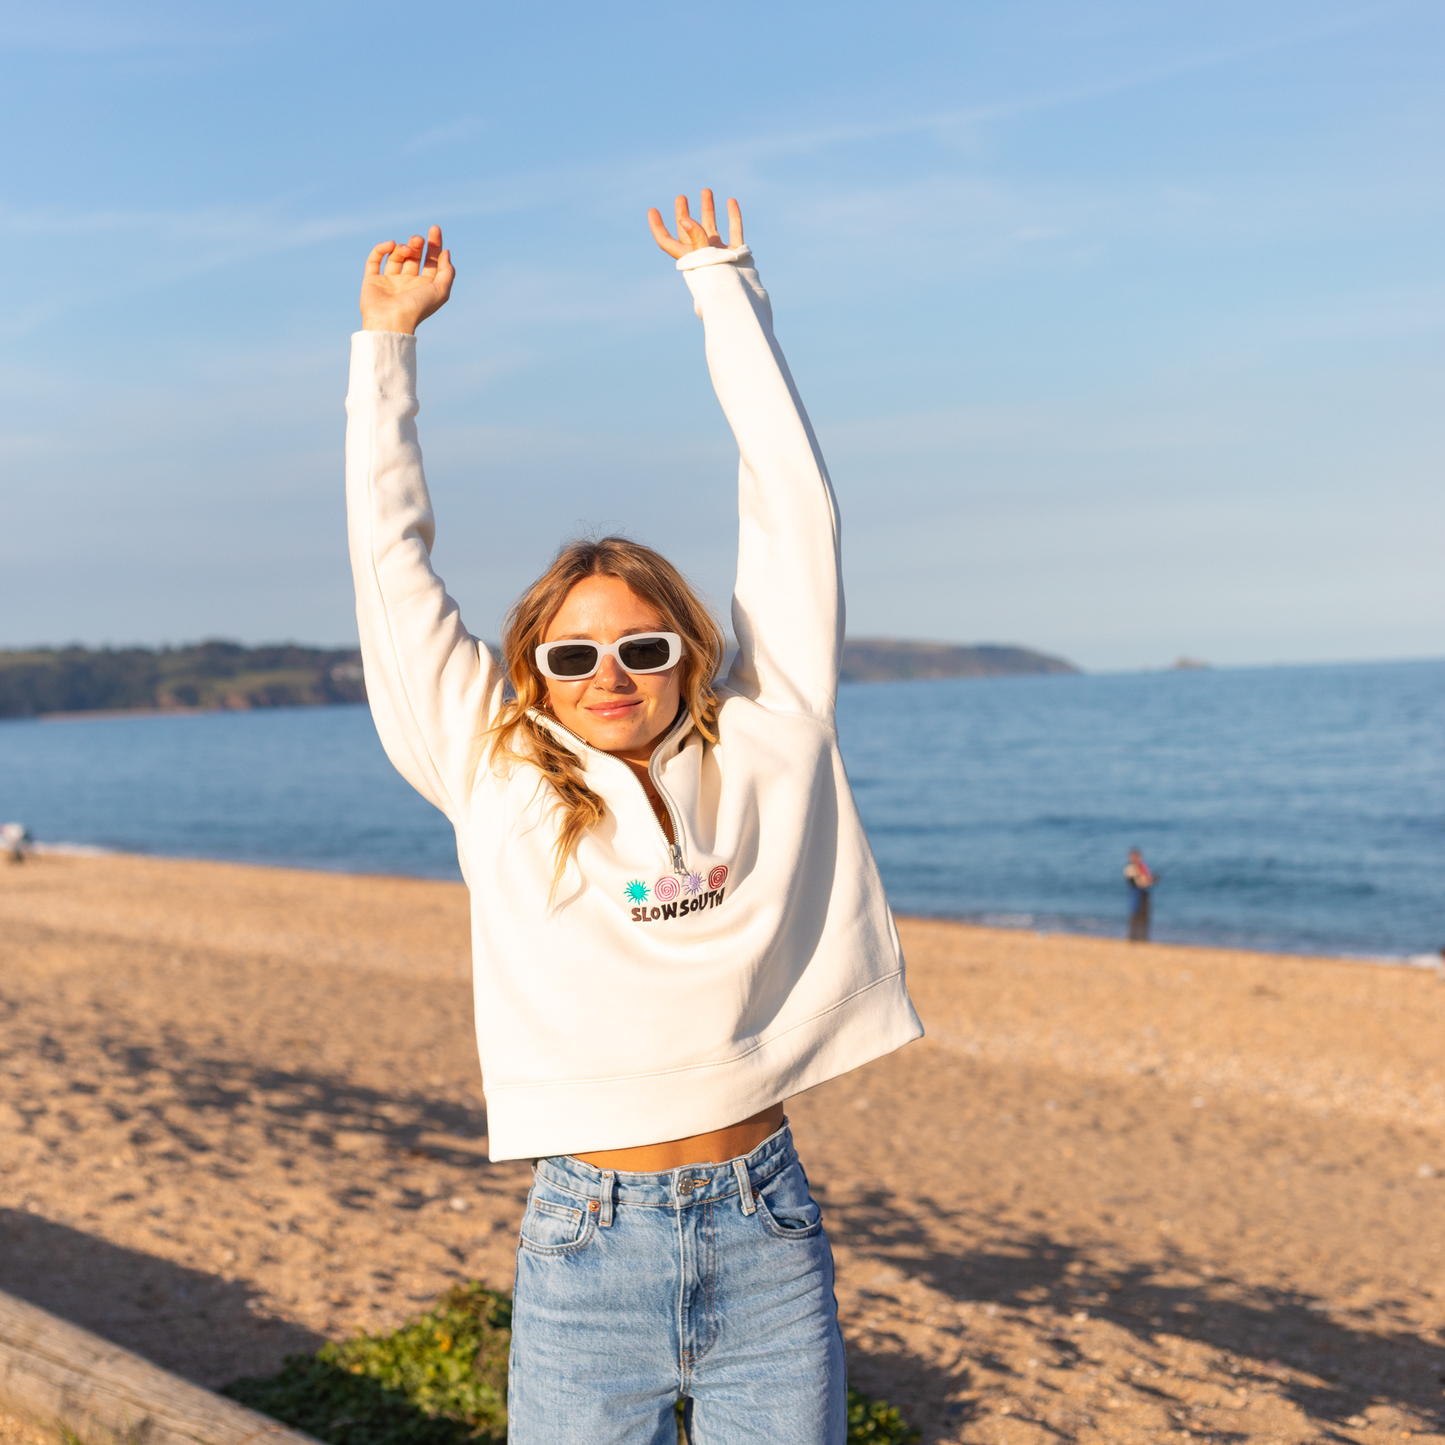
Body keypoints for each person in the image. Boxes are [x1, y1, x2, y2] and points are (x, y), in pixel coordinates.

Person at [346, 191, 923, 1445]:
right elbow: (394, 573)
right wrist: (386, 347)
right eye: (570, 656)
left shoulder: (770, 737)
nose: (606, 675)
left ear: (688, 654)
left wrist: (723, 287)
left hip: (767, 1229)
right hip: (584, 1244)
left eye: (640, 645)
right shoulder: (490, 770)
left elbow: (793, 513)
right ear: (530, 672)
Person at [1124, 847, 1155, 942]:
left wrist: (1151, 879)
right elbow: (1133, 881)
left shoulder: (1143, 867)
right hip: (1135, 894)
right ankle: (1133, 937)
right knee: (1135, 914)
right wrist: (1145, 880)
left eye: (1137, 856)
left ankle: (1143, 937)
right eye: (1134, 856)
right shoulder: (1129, 868)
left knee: (1145, 915)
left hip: (1144, 894)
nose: (1136, 858)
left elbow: (1147, 881)